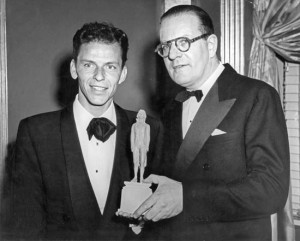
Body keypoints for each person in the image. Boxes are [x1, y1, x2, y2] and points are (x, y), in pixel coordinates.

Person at [131, 5, 290, 241]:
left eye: (183, 42)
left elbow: (271, 190)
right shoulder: (171, 109)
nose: (173, 55)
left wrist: (186, 198)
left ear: (211, 44)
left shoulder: (257, 95)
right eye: (166, 47)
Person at [10, 22, 162, 240]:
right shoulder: (35, 133)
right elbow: (25, 228)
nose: (99, 76)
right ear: (74, 69)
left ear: (123, 73)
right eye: (89, 65)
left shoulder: (151, 129)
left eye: (110, 66)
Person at [131, 109, 150, 182]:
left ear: (144, 116)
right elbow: (132, 136)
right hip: (136, 145)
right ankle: (135, 177)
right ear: (138, 115)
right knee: (135, 162)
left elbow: (148, 136)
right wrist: (132, 146)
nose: (141, 115)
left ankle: (141, 178)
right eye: (140, 114)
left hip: (143, 145)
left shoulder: (146, 126)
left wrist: (147, 146)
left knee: (142, 162)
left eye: (142, 114)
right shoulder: (134, 125)